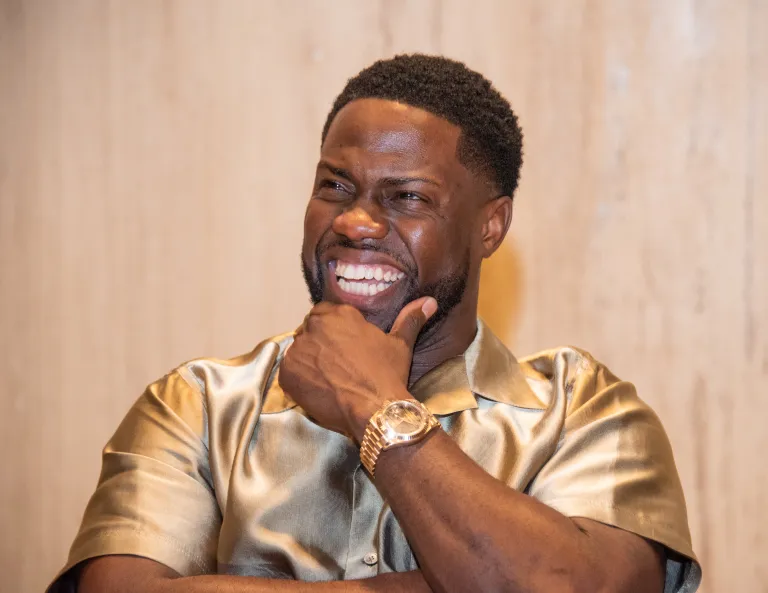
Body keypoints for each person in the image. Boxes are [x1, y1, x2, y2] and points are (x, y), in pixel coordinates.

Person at [48, 54, 701, 593]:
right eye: (335, 186)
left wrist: (374, 406)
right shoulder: (196, 403)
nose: (355, 221)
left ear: (491, 225)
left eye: (407, 197)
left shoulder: (585, 413)